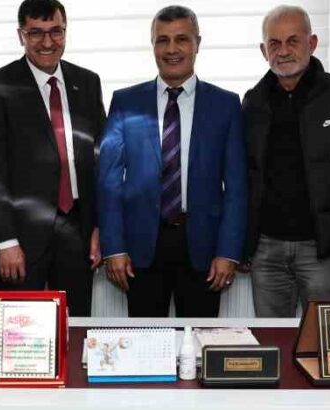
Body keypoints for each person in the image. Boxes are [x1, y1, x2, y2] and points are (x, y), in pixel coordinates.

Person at [99, 5, 247, 318]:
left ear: (197, 43)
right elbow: (109, 182)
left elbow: (236, 187)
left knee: (202, 342)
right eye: (162, 40)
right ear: (152, 45)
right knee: (144, 342)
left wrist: (228, 251)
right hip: (140, 249)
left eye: (181, 39)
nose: (171, 49)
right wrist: (114, 247)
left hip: (204, 248)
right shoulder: (125, 102)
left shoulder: (226, 104)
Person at [0, 0, 106, 317]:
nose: (47, 42)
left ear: (65, 31)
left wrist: (100, 227)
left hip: (77, 231)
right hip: (21, 239)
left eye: (56, 31)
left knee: (75, 327)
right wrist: (5, 242)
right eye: (36, 33)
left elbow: (100, 163)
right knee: (21, 331)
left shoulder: (87, 82)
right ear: (21, 35)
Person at [241, 5, 330, 317]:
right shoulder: (253, 101)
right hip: (266, 248)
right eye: (274, 43)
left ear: (312, 43)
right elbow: (246, 175)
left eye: (292, 41)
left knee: (324, 338)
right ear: (264, 50)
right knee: (271, 339)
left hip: (322, 247)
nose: (283, 51)